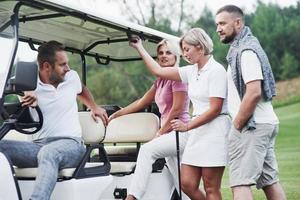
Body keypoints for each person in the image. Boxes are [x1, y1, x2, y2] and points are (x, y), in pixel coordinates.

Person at [129, 28, 231, 200]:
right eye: (182, 50)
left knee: (211, 187)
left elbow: (215, 109)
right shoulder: (191, 71)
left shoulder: (216, 70)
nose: (184, 54)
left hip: (214, 131)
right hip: (196, 131)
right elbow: (158, 71)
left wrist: (187, 126)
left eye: (187, 49)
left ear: (199, 47)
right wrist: (139, 47)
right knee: (187, 184)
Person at [0, 40, 108, 200]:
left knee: (49, 153)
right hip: (37, 146)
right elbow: (11, 85)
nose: (68, 68)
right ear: (46, 67)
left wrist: (94, 106)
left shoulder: (71, 77)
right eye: (62, 64)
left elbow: (82, 89)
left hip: (71, 145)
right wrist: (27, 91)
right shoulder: (28, 82)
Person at [215, 5, 286, 200]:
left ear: (237, 23)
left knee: (240, 184)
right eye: (216, 24)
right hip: (264, 123)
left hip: (252, 127)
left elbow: (254, 92)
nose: (218, 29)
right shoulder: (244, 47)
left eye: (222, 23)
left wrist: (237, 125)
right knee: (269, 182)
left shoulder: (245, 52)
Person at [109, 39, 190, 200]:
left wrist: (160, 132)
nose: (163, 56)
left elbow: (177, 109)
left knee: (147, 150)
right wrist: (117, 114)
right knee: (182, 184)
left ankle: (133, 197)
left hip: (181, 133)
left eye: (168, 52)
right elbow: (141, 102)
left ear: (176, 56)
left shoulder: (178, 77)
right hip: (169, 135)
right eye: (160, 53)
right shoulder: (161, 80)